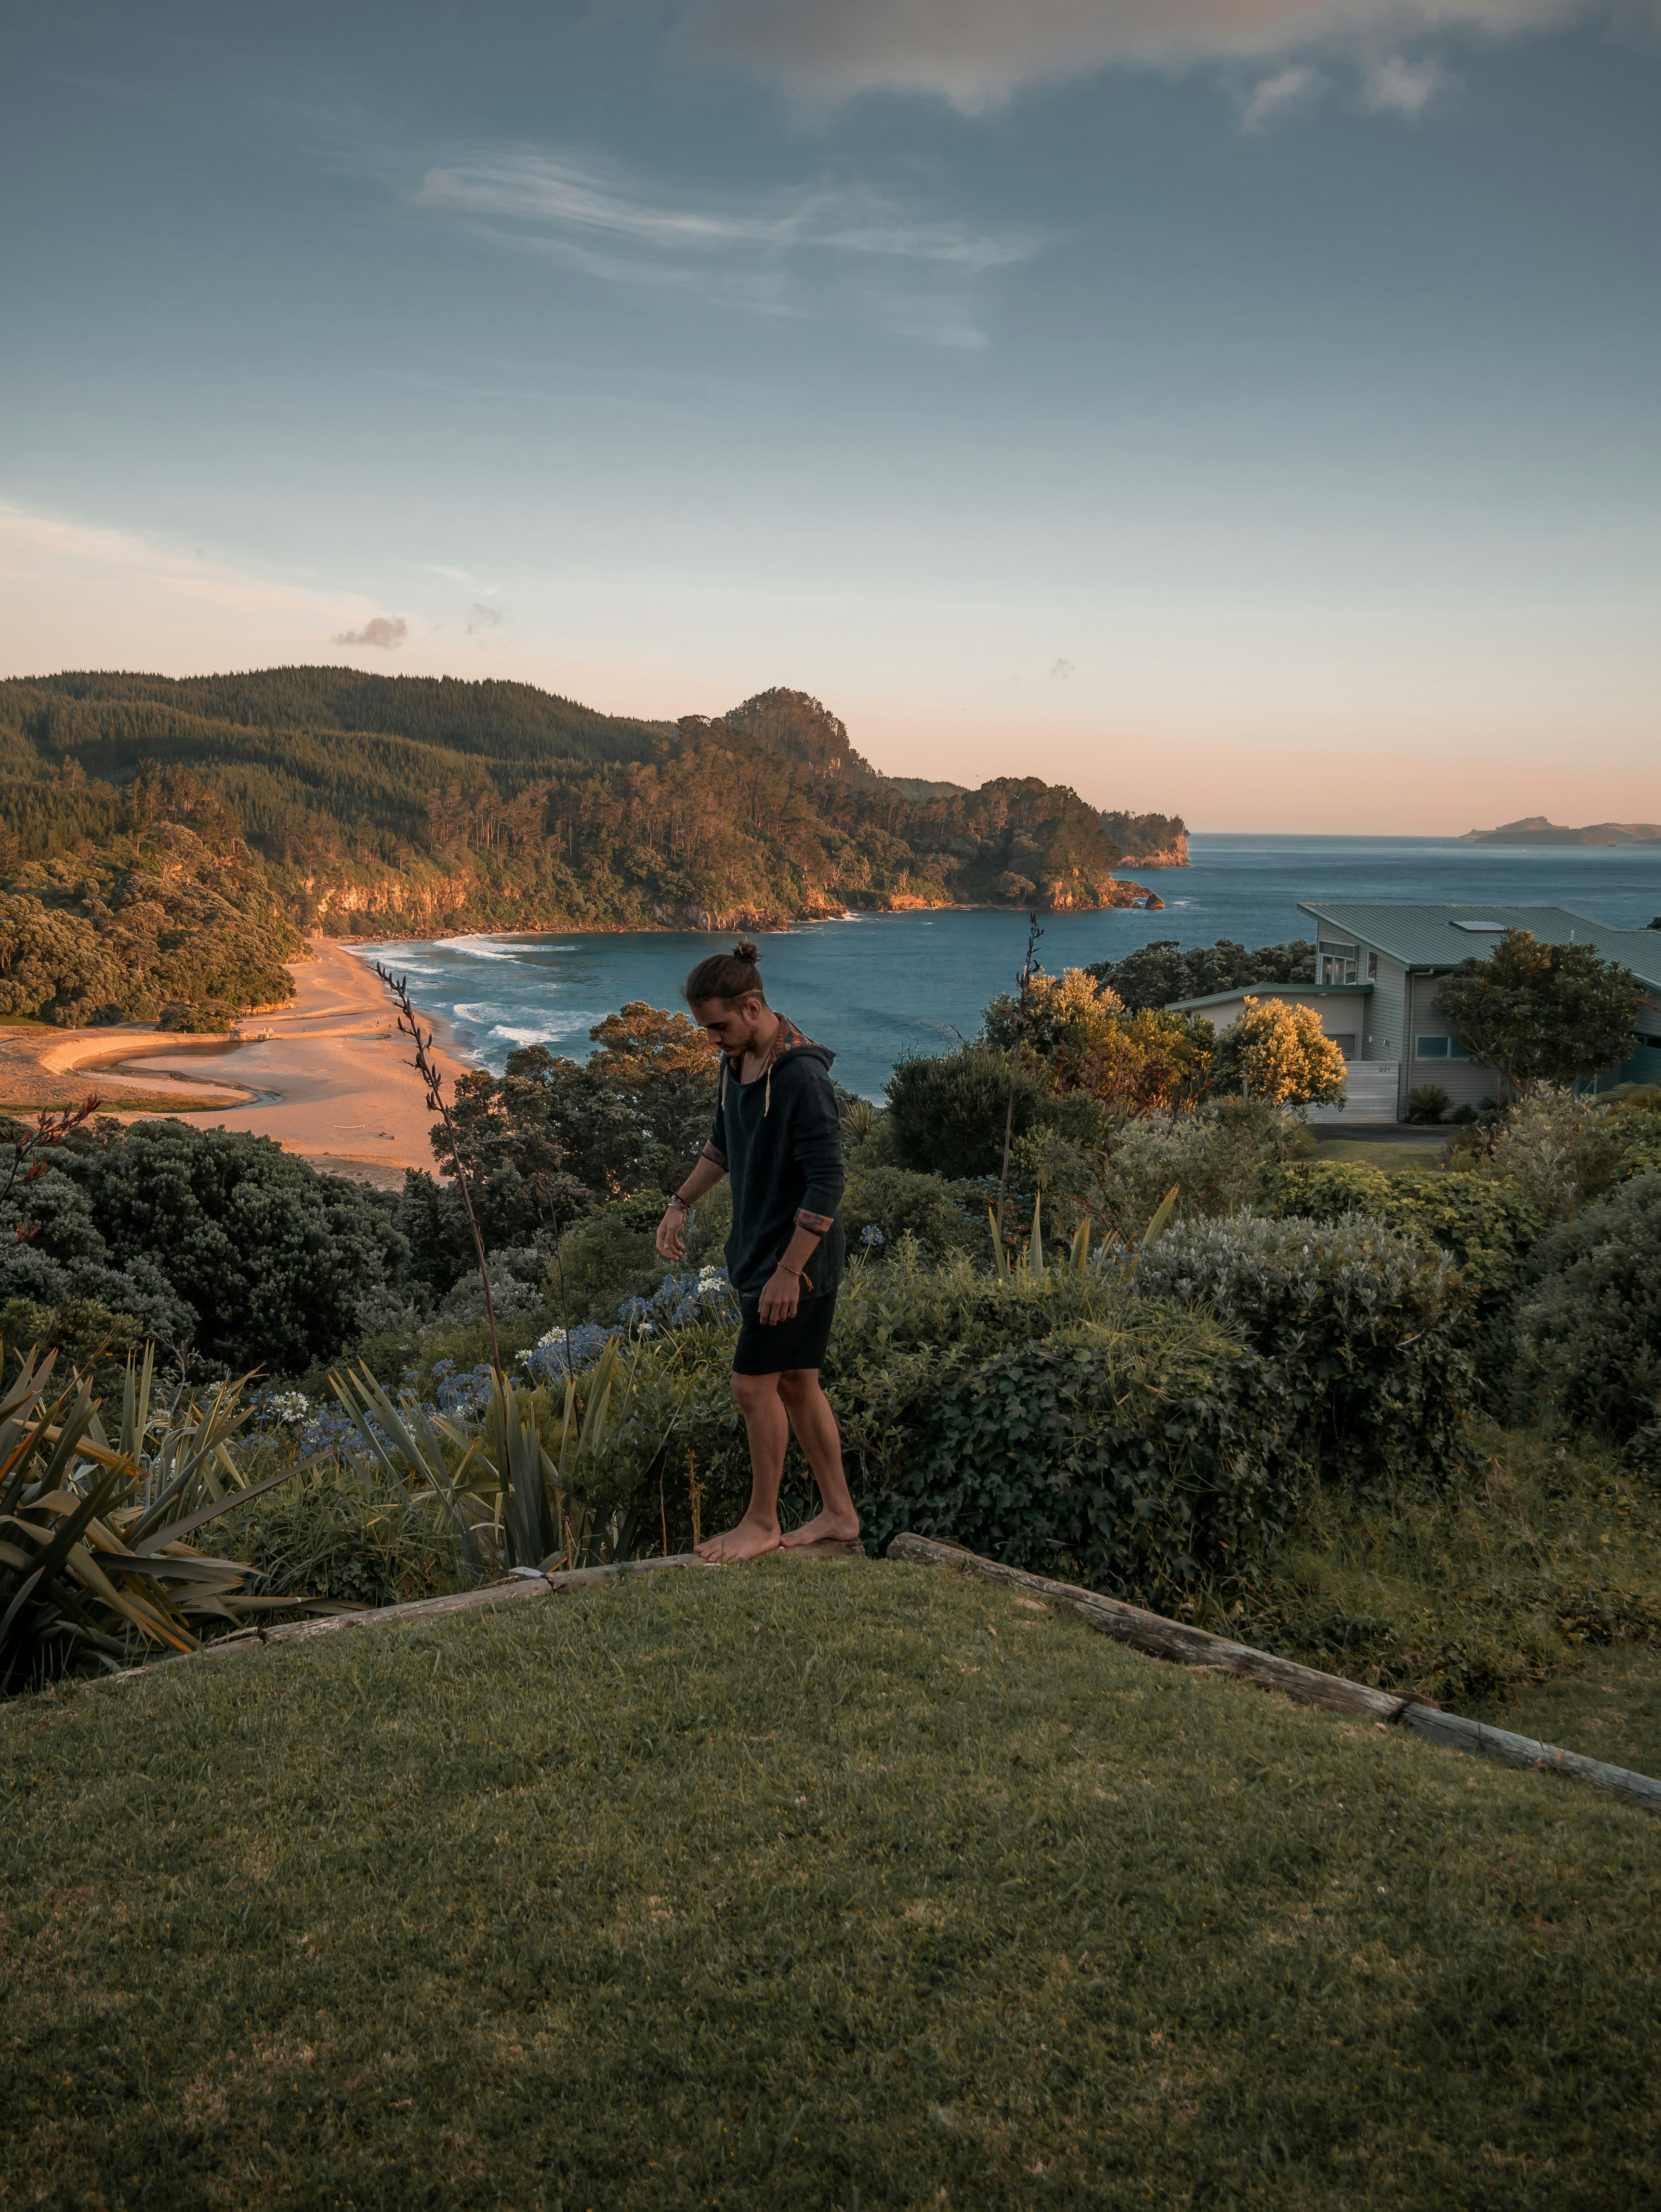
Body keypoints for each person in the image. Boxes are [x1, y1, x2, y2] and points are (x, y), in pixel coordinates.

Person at [655, 941, 859, 1563]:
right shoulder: (738, 1062)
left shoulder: (803, 1076)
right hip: (763, 1251)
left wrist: (789, 1271)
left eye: (718, 1025)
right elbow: (722, 1145)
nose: (711, 1038)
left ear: (752, 1006)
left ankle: (762, 1522)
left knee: (752, 1387)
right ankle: (840, 1515)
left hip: (797, 1262)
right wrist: (679, 1202)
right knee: (796, 1383)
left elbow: (829, 1181)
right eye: (705, 1028)